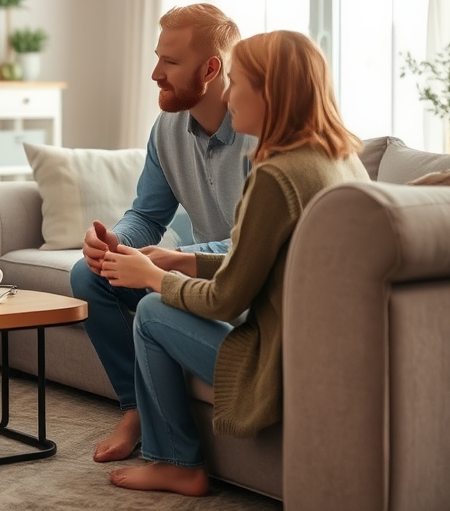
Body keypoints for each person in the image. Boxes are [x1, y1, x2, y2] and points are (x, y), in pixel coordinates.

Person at [102, 30, 368, 495]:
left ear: (271, 91)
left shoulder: (276, 175)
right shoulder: (339, 156)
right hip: (327, 349)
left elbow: (227, 301)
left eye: (238, 81)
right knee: (156, 296)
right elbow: (273, 262)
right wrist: (184, 260)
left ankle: (177, 462)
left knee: (150, 312)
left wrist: (154, 277)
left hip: (282, 359)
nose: (228, 93)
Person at [70, 3, 255, 462]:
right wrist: (117, 243)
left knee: (151, 300)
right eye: (157, 58)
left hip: (243, 288)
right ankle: (133, 410)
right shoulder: (167, 128)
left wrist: (172, 259)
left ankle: (171, 452)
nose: (155, 73)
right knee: (89, 274)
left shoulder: (261, 130)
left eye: (170, 62)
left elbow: (262, 248)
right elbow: (147, 215)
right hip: (196, 276)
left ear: (211, 69)